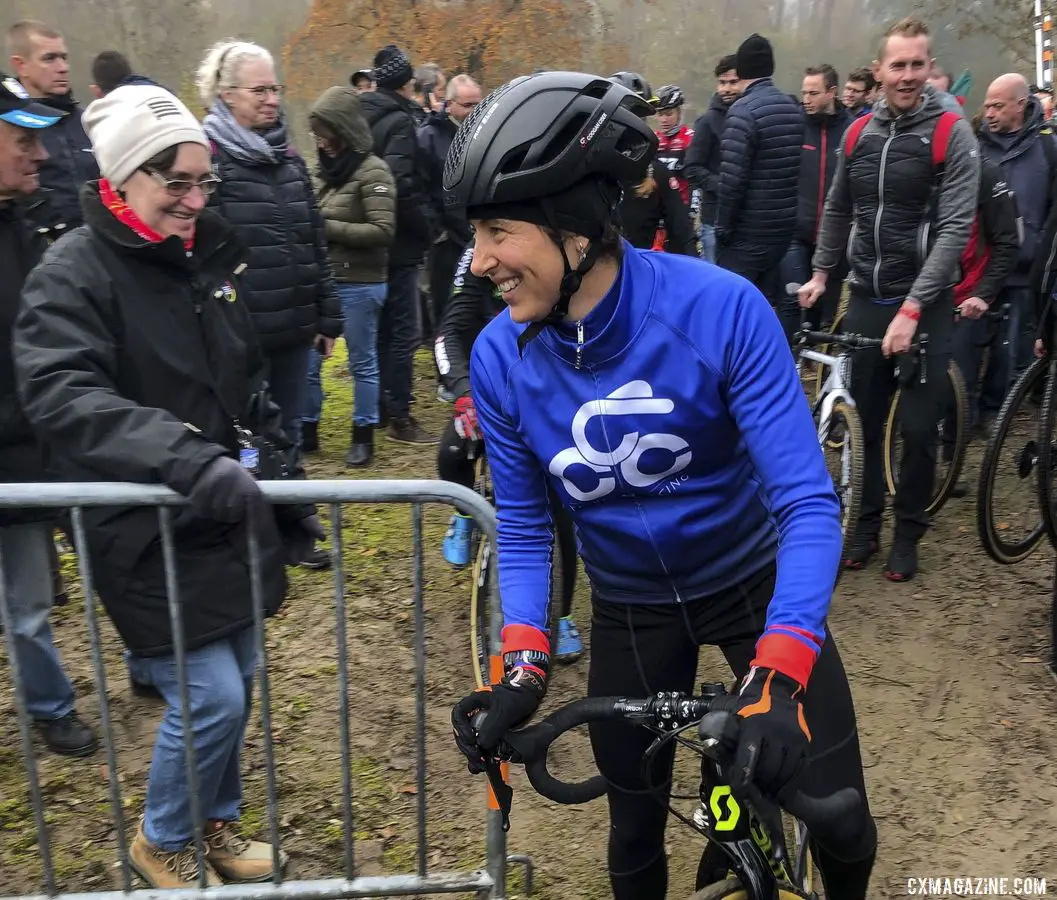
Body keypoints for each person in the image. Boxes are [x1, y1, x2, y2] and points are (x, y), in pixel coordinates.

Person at [446, 70, 876, 900]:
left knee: (836, 814)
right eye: (475, 234)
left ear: (575, 227)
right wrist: (523, 662)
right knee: (633, 825)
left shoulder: (720, 309)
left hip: (752, 589)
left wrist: (780, 672)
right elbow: (529, 526)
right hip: (632, 610)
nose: (480, 260)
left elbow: (806, 503)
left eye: (498, 228)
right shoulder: (501, 356)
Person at [14, 83, 323, 889]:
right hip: (141, 517)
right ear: (120, 181)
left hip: (216, 504)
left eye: (202, 181)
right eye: (173, 183)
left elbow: (239, 373)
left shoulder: (203, 257)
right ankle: (161, 839)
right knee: (211, 693)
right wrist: (186, 458)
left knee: (245, 672)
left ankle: (213, 826)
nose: (193, 200)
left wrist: (276, 455)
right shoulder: (72, 273)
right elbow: (62, 393)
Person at [799, 17, 979, 582]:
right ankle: (867, 526)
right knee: (867, 421)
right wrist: (823, 274)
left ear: (928, 68)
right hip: (869, 294)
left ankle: (908, 532)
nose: (906, 76)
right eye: (896, 65)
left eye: (916, 65)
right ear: (879, 70)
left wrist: (913, 308)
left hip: (924, 302)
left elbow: (953, 231)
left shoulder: (953, 133)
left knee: (920, 428)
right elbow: (837, 208)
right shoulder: (859, 134)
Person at [197, 40, 341, 571]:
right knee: (249, 438)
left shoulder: (289, 158)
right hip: (239, 333)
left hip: (293, 329)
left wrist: (327, 314)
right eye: (260, 89)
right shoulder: (208, 161)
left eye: (275, 88)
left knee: (290, 430)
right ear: (227, 94)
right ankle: (252, 530)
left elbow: (314, 240)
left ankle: (294, 529)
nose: (272, 99)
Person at [0, 74, 97, 758]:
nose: (39, 154)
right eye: (21, 140)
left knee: (31, 600)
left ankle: (50, 704)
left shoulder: (26, 223)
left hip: (27, 453)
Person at [434, 244, 583, 660]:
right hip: (489, 384)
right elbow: (449, 334)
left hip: (549, 390)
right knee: (451, 452)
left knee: (558, 508)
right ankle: (466, 512)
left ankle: (563, 614)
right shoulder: (477, 260)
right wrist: (465, 395)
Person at [303, 85, 396, 467]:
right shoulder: (319, 171)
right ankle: (306, 426)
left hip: (361, 282)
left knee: (362, 362)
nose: (320, 141)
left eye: (325, 132)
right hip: (322, 282)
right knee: (309, 362)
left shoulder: (375, 171)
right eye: (316, 133)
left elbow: (383, 231)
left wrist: (328, 227)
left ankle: (363, 434)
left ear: (342, 128)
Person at [360, 45, 435, 444]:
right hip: (400, 242)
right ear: (406, 85)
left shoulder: (357, 116)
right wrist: (425, 228)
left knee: (377, 330)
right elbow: (400, 183)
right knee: (404, 330)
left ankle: (374, 409)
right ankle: (400, 416)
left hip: (364, 241)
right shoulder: (401, 123)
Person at [979, 73, 1057, 403]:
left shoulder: (1047, 148)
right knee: (970, 343)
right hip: (980, 265)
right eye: (986, 106)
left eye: (997, 106)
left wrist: (1041, 248)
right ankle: (962, 413)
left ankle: (997, 409)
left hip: (1026, 266)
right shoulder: (974, 145)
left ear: (1021, 105)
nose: (989, 113)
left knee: (1009, 347)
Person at [715, 33, 803, 323]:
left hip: (746, 236)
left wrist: (723, 229)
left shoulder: (742, 111)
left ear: (741, 71)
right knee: (765, 311)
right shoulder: (792, 109)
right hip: (781, 233)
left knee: (729, 309)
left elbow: (732, 181)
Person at [8, 20, 98, 235]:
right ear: (21, 65)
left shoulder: (89, 120)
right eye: (49, 59)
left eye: (64, 57)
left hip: (101, 250)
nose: (63, 68)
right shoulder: (9, 127)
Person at [783, 64, 850, 330]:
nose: (806, 100)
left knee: (825, 315)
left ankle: (817, 366)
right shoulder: (794, 126)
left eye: (813, 93)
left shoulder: (852, 130)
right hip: (796, 234)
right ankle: (791, 360)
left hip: (835, 238)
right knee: (795, 301)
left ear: (832, 92)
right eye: (804, 93)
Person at [419, 74, 481, 343]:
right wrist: (436, 230)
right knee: (446, 307)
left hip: (478, 235)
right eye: (467, 106)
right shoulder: (428, 137)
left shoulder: (484, 131)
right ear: (450, 103)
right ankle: (447, 376)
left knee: (477, 305)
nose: (473, 112)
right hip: (445, 241)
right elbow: (417, 189)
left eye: (478, 105)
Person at [608, 72, 696, 255]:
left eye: (668, 114)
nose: (663, 119)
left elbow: (682, 229)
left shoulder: (684, 143)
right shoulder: (593, 164)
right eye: (660, 115)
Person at [685, 53, 739, 262]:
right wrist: (723, 185)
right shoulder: (708, 121)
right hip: (713, 218)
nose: (726, 88)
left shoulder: (751, 115)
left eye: (732, 82)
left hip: (745, 221)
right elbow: (692, 168)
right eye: (722, 82)